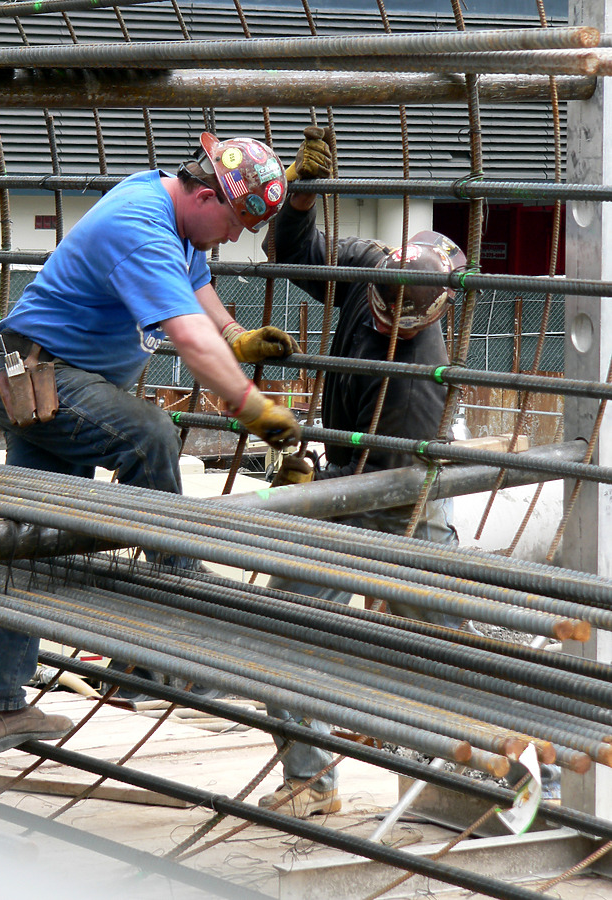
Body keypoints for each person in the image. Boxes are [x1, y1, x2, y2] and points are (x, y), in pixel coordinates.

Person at [0, 131, 301, 758]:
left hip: (47, 377)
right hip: (47, 378)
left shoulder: (169, 205)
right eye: (234, 222)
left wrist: (237, 334)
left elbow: (197, 289)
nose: (234, 238)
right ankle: (181, 625)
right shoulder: (141, 227)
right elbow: (189, 341)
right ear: (205, 194)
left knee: (32, 542)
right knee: (150, 436)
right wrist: (254, 408)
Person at [257, 126, 467, 818]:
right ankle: (310, 781)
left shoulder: (416, 384)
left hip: (397, 498)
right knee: (282, 624)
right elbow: (291, 251)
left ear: (437, 307)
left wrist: (319, 488)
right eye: (385, 308)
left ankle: (503, 765)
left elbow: (382, 486)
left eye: (405, 319)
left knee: (449, 646)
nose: (389, 323)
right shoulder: (369, 269)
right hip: (345, 477)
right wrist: (300, 198)